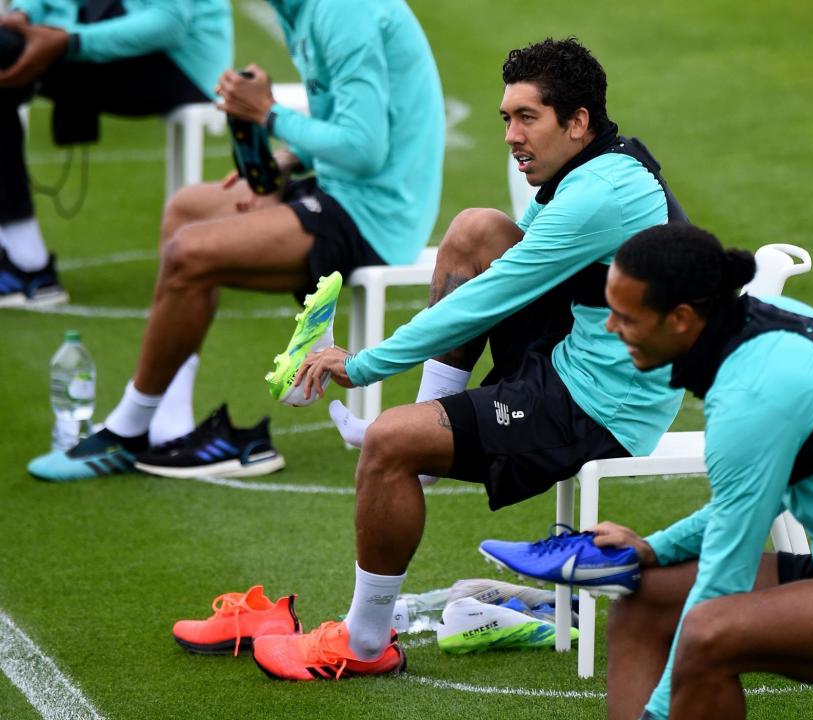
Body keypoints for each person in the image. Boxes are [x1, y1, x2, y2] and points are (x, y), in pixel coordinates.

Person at [246, 37, 691, 681]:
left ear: (578, 122)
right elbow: (499, 278)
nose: (512, 135)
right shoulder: (598, 166)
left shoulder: (599, 196)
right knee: (476, 228)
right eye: (506, 118)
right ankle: (427, 430)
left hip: (602, 404)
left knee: (391, 444)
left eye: (527, 118)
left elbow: (486, 299)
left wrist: (363, 364)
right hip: (578, 351)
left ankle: (364, 643)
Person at [26, 0, 445, 481]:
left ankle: (128, 429)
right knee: (187, 209)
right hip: (339, 189)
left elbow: (364, 148)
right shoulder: (301, 10)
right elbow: (340, 118)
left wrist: (267, 114)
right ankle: (168, 420)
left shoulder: (340, 10)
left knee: (191, 252)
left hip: (375, 217)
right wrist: (286, 160)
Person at [588, 224, 813, 719]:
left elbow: (727, 573)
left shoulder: (753, 395)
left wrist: (655, 716)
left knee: (707, 631)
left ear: (680, 318)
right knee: (643, 596)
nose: (612, 328)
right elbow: (738, 509)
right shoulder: (768, 327)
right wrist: (654, 549)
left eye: (625, 317)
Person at [0, 0, 233, 306]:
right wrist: (24, 14)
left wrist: (71, 41)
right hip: (98, 35)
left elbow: (169, 24)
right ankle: (25, 259)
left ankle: (27, 264)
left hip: (182, 62)